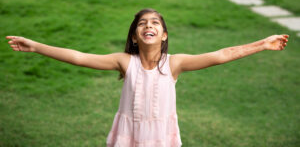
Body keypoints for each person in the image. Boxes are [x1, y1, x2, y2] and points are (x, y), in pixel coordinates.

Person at [6, 8, 289, 147]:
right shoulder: (124, 62)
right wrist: (36, 47)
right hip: (128, 137)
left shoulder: (175, 64)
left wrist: (262, 44)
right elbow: (79, 57)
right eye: (142, 23)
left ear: (164, 35)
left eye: (155, 23)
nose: (148, 25)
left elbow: (222, 54)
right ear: (134, 35)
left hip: (161, 138)